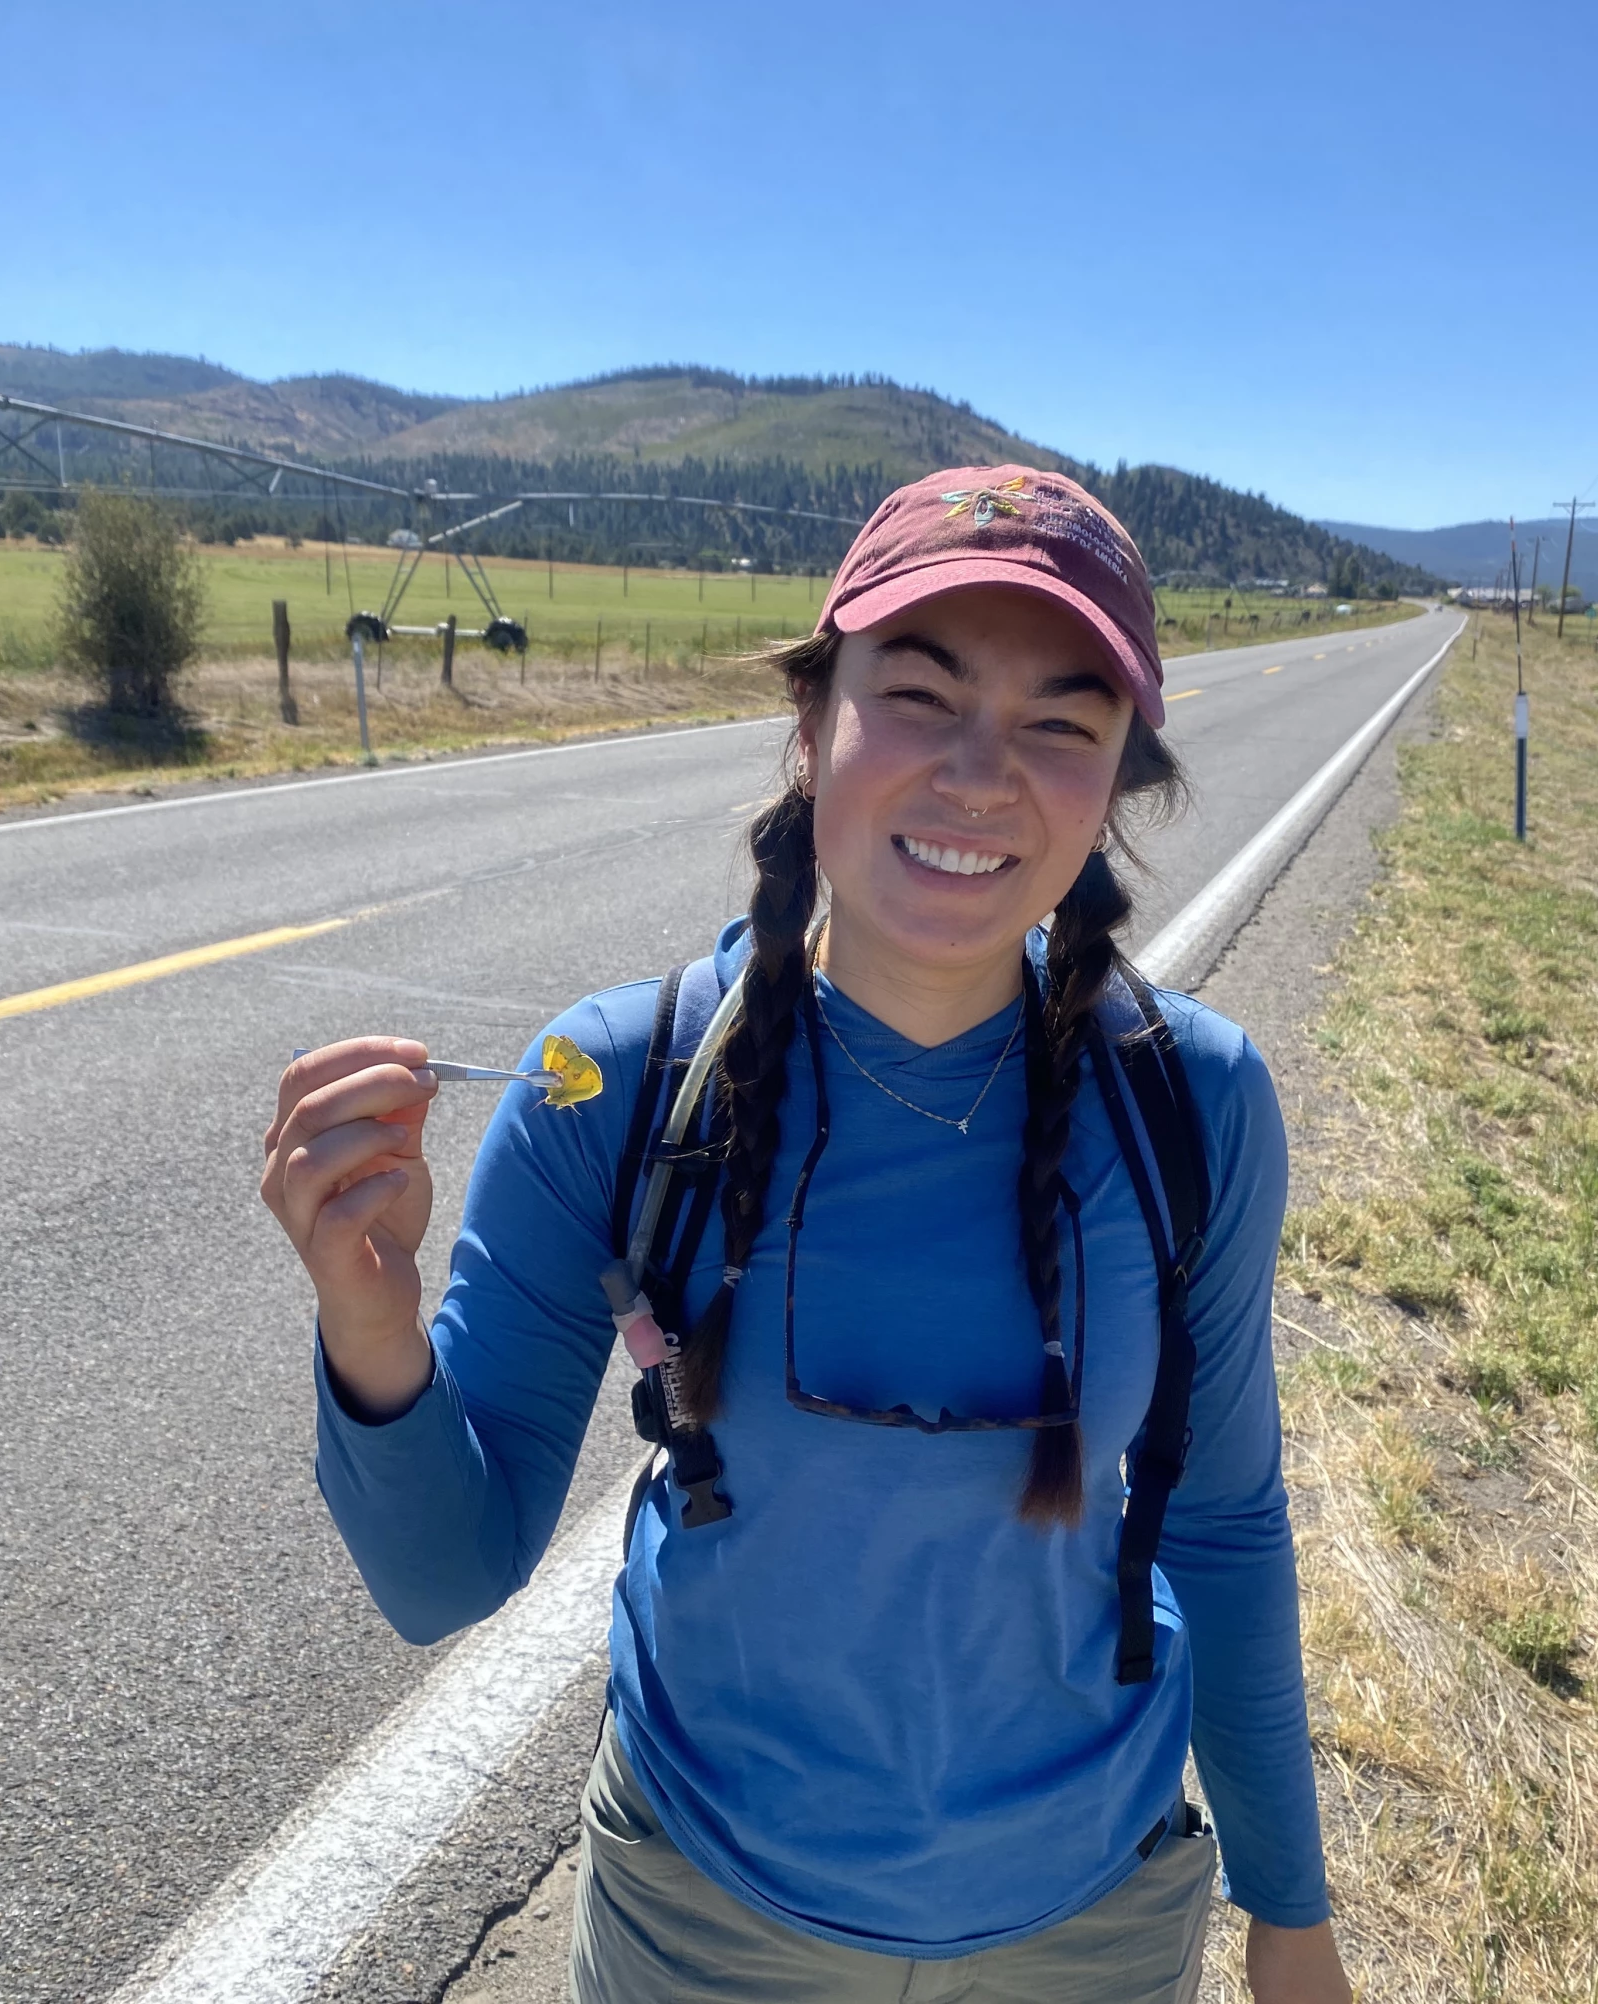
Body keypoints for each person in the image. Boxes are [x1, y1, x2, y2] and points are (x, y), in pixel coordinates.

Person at [260, 466, 1353, 2004]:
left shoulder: (1195, 1107)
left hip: (1092, 1920)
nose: (982, 777)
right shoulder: (620, 1086)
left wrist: (1289, 1915)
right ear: (810, 718)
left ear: (1114, 783)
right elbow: (444, 1576)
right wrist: (371, 1330)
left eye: (1062, 722)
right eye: (919, 693)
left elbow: (1224, 1524)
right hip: (701, 1916)